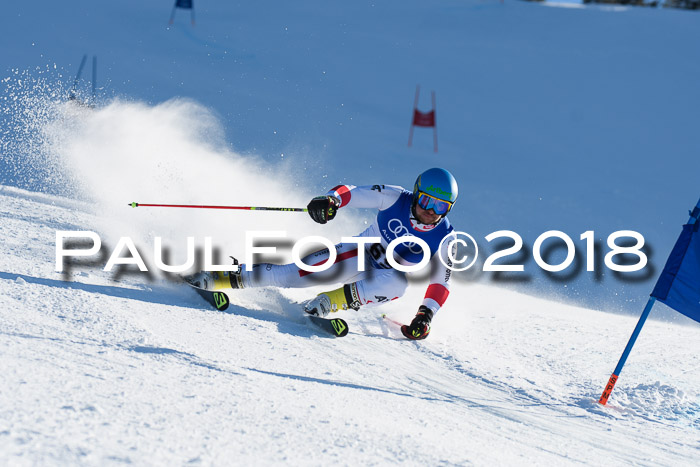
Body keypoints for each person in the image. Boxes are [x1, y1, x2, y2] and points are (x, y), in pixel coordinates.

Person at [189, 167, 458, 340]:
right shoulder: (395, 198)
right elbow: (352, 191)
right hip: (359, 253)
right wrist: (332, 200)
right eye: (426, 200)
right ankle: (219, 276)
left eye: (440, 206)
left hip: (385, 275)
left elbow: (441, 282)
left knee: (398, 282)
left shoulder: (446, 237)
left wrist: (425, 315)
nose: (430, 211)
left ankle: (326, 304)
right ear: (416, 194)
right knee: (291, 275)